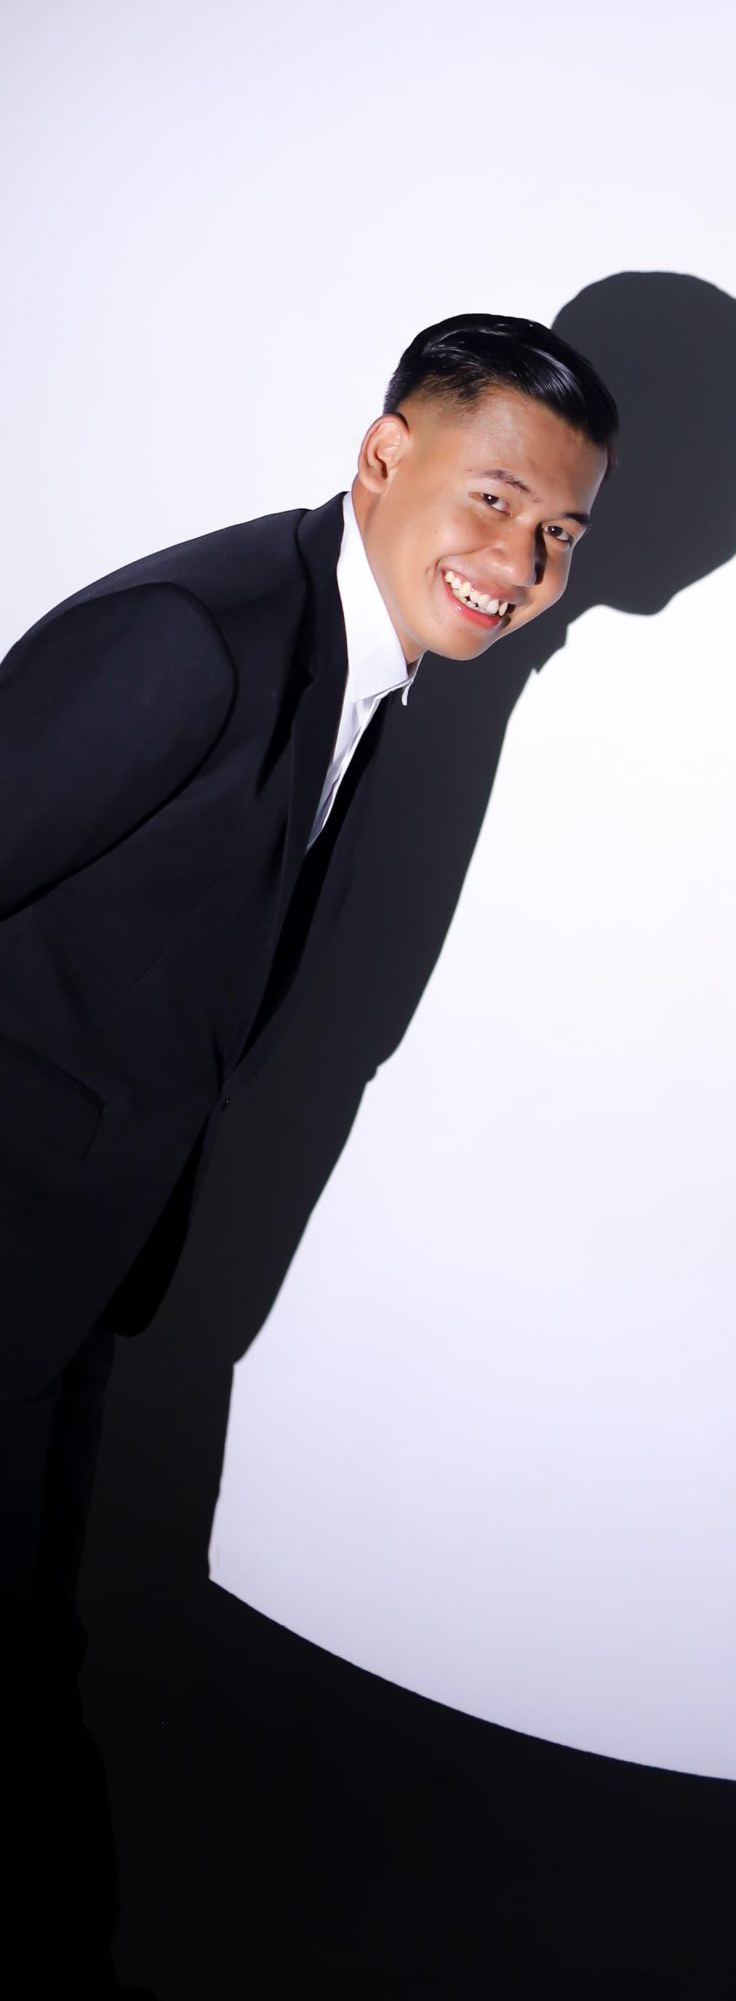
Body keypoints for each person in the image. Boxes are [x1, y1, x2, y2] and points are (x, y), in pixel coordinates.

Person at [0, 312, 617, 1992]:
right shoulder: (190, 641)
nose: (522, 565)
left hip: (65, 1278)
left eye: (562, 535)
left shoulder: (353, 662)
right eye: (495, 501)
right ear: (382, 455)